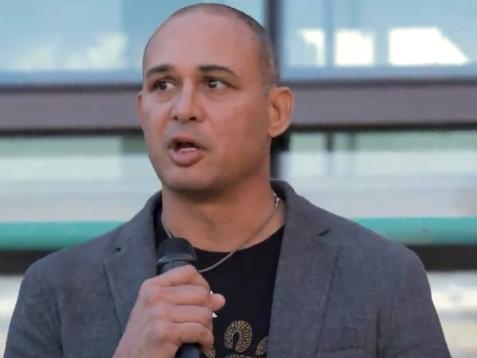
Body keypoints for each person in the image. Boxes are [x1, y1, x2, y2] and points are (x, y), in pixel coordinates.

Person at [5, 3, 450, 358]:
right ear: (141, 110)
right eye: (163, 85)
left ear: (276, 112)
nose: (183, 108)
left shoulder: (383, 276)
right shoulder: (57, 290)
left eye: (214, 83)